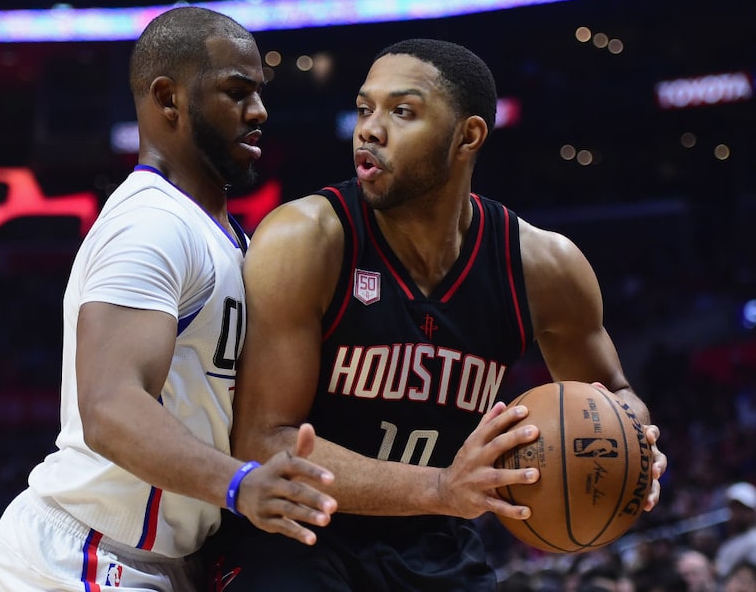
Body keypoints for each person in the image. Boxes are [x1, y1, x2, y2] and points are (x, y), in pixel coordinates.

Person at [198, 38, 667, 590]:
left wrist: (633, 446)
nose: (369, 129)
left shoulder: (544, 266)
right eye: (365, 107)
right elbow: (263, 441)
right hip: (294, 533)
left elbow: (615, 394)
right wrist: (441, 487)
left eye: (402, 111)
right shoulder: (306, 238)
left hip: (436, 543)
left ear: (467, 136)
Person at [0, 6, 336, 592]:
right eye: (236, 91)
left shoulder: (225, 234)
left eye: (259, 93)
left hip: (163, 558)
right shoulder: (150, 224)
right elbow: (110, 407)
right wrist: (238, 483)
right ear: (168, 98)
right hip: (86, 557)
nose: (259, 111)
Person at [715, 481, 756, 580]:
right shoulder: (731, 540)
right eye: (733, 508)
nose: (737, 514)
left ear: (753, 512)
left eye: (742, 509)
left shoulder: (753, 539)